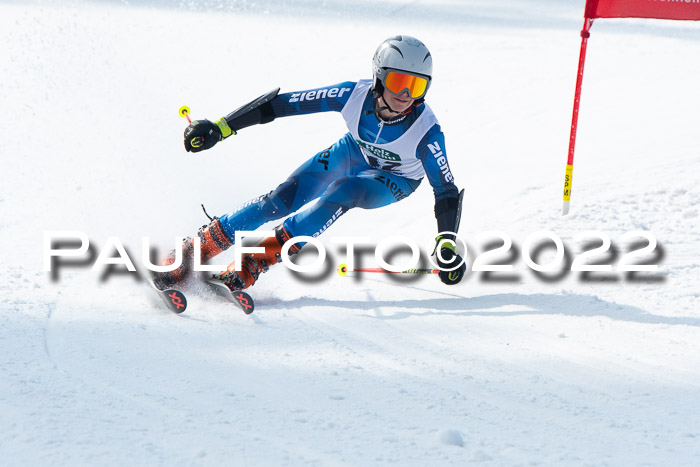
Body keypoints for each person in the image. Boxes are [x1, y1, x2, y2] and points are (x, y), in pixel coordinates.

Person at [153, 35, 466, 293]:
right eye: (398, 81)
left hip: (396, 179)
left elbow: (446, 190)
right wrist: (222, 127)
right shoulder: (352, 95)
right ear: (379, 76)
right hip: (354, 152)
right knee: (279, 200)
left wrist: (447, 242)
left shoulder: (427, 131)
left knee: (348, 190)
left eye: (417, 86)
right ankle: (199, 247)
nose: (405, 95)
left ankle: (257, 259)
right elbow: (282, 104)